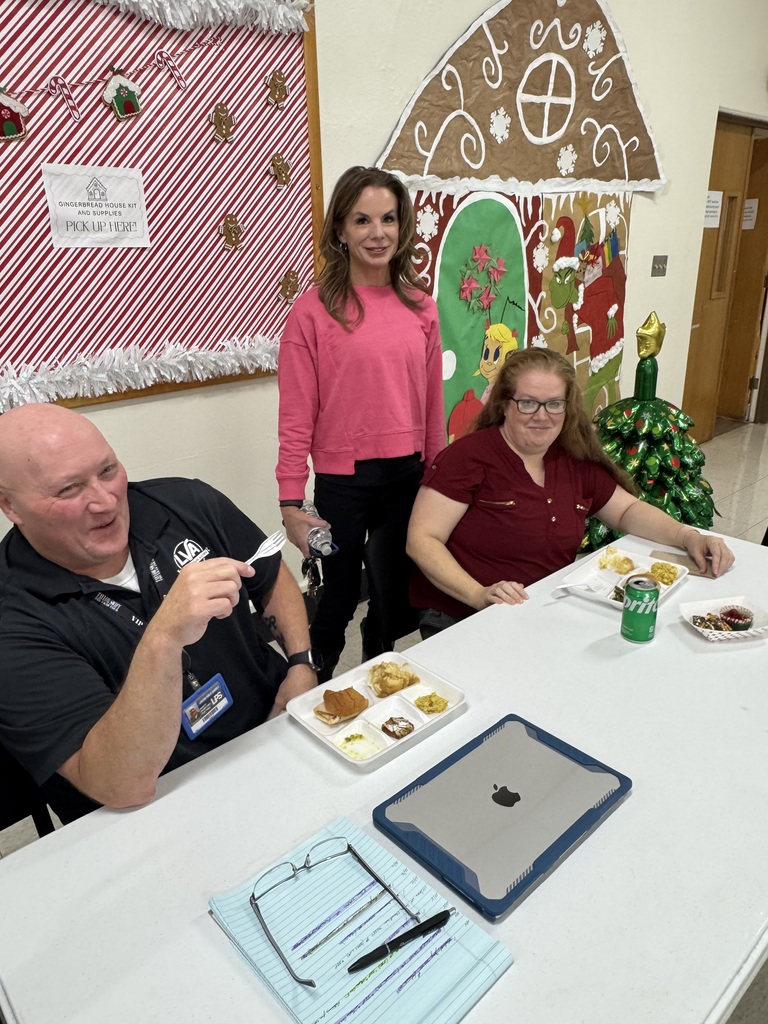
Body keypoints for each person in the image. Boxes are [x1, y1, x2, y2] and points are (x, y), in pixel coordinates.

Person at [0, 404, 318, 823]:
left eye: (108, 470)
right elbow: (121, 784)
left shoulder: (184, 502)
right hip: (159, 808)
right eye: (68, 490)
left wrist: (301, 663)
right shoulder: (14, 616)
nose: (105, 501)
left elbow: (270, 576)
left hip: (275, 732)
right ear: (11, 507)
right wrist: (164, 637)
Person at [407, 348, 734, 635]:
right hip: (462, 615)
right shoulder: (468, 457)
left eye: (554, 404)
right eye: (527, 403)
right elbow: (422, 539)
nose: (542, 416)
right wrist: (478, 593)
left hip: (541, 608)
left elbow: (626, 511)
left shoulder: (571, 457)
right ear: (505, 405)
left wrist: (687, 536)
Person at [276, 166, 445, 681]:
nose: (378, 233)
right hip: (343, 480)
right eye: (363, 220)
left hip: (408, 477)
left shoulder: (421, 306)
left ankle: (380, 675)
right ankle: (311, 688)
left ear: (403, 226)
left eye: (389, 219)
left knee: (396, 592)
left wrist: (439, 476)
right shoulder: (312, 312)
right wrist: (289, 500)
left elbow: (433, 403)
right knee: (340, 595)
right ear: (341, 231)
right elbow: (296, 414)